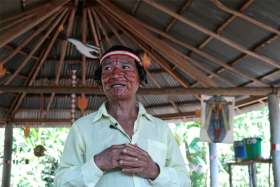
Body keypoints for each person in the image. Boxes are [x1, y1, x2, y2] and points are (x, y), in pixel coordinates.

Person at [55, 46, 191, 187]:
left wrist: (154, 171)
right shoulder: (81, 128)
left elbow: (184, 182)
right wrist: (98, 163)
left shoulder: (161, 128)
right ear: (101, 83)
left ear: (140, 80)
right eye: (107, 69)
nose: (116, 73)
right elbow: (61, 182)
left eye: (125, 67)